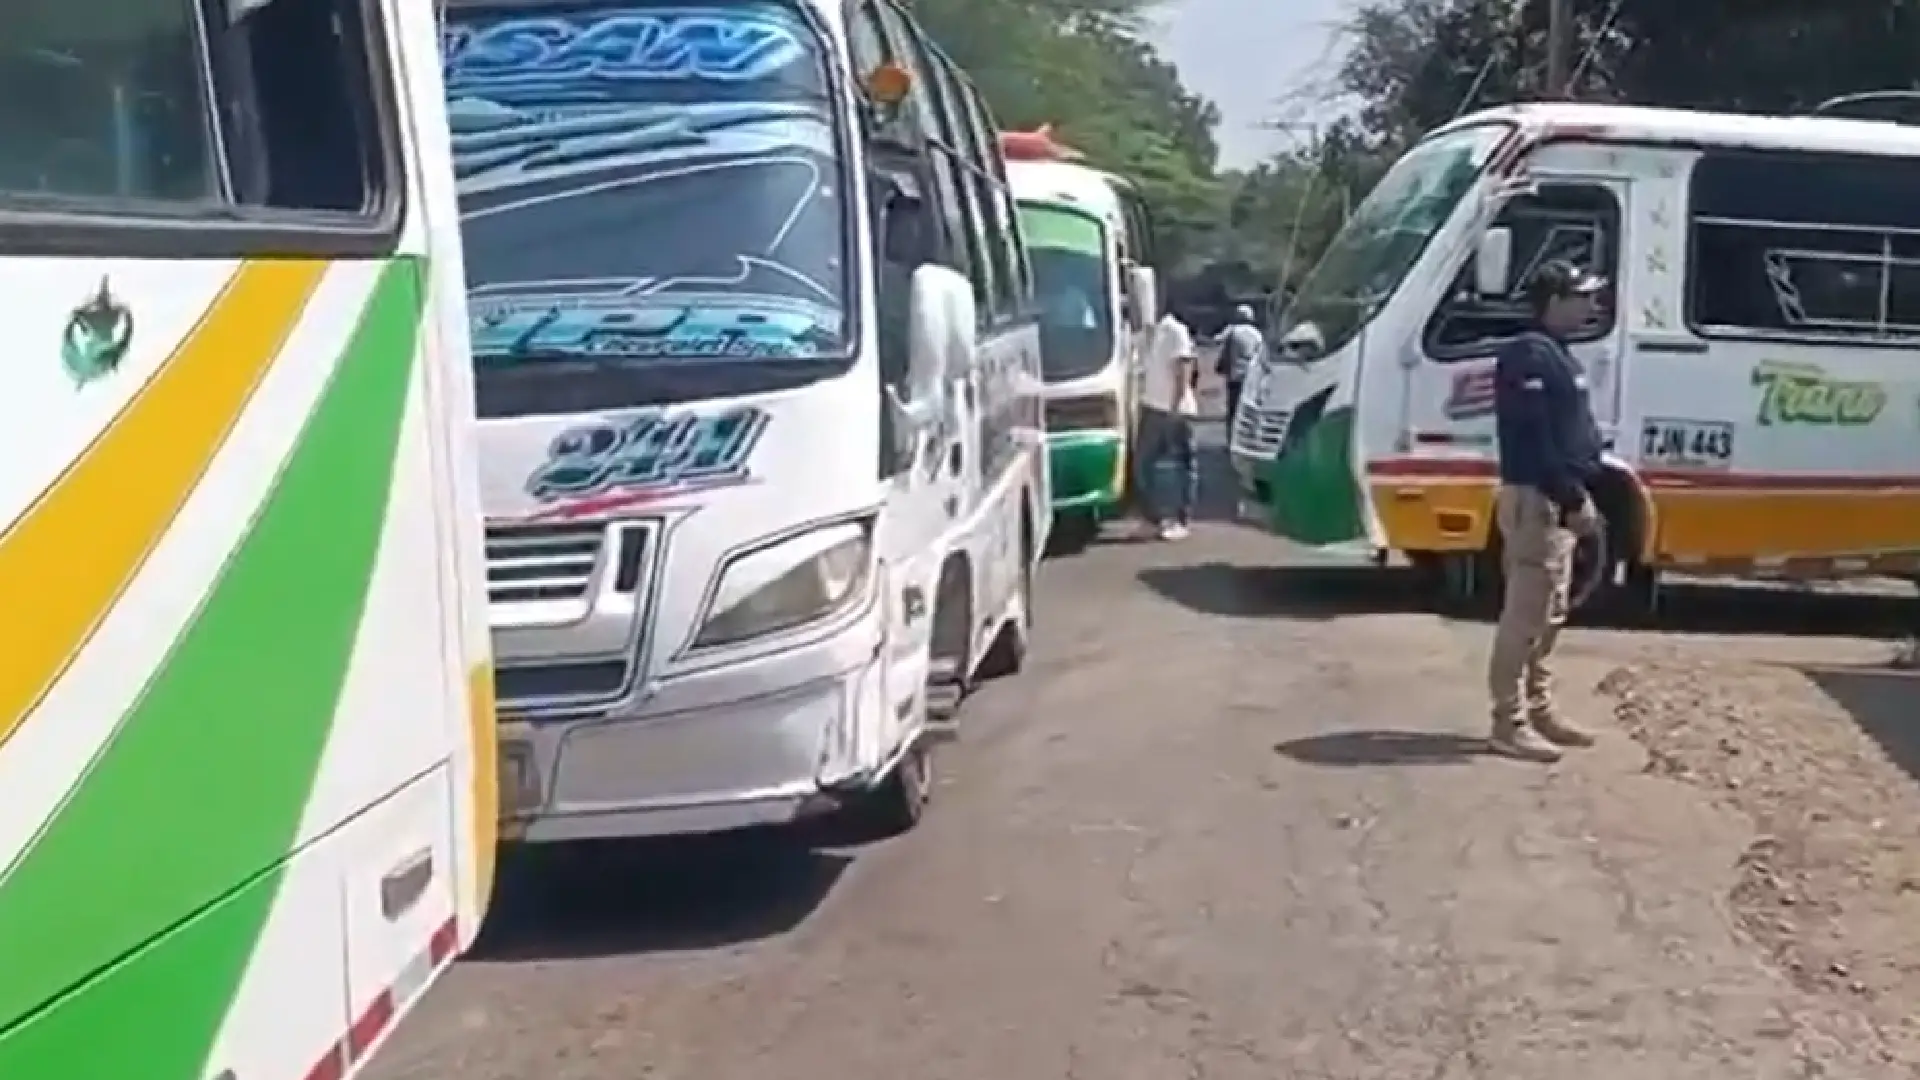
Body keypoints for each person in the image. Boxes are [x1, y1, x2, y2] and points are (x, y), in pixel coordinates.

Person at [1487, 260, 1606, 763]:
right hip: (1538, 500)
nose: (1590, 305)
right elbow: (1533, 440)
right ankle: (1507, 722)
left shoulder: (1557, 353)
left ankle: (1539, 709)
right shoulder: (1527, 356)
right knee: (1525, 616)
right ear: (1553, 301)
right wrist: (1571, 497)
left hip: (1557, 499)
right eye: (1581, 296)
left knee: (1550, 614)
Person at [1136, 308, 1199, 540]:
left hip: (1172, 410)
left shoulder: (1175, 330)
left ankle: (1181, 519)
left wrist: (1176, 406)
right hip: (1153, 407)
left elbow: (1184, 369)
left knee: (1180, 467)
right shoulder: (1153, 334)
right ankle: (1155, 518)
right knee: (1144, 466)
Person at [1214, 303, 1264, 423]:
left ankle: (1232, 435)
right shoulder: (1257, 335)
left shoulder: (1232, 331)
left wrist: (1220, 365)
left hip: (1235, 375)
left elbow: (1219, 342)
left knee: (1233, 409)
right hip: (1251, 376)